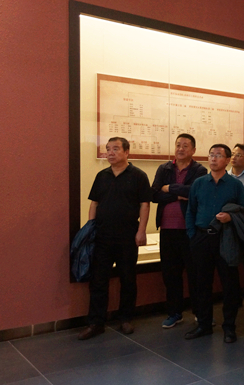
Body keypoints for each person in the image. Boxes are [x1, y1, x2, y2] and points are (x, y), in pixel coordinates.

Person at [78, 137, 151, 340]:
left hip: (128, 236)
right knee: (98, 280)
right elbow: (94, 203)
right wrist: (91, 229)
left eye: (116, 149)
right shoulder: (102, 176)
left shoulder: (138, 175)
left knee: (128, 278)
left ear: (127, 152)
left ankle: (126, 318)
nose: (110, 153)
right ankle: (96, 322)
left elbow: (145, 205)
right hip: (102, 236)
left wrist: (141, 231)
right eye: (108, 149)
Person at [185, 144, 244, 344]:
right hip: (201, 237)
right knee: (201, 283)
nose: (213, 158)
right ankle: (204, 324)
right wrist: (192, 235)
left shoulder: (235, 185)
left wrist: (230, 217)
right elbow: (190, 210)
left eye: (218, 155)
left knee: (229, 284)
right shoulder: (198, 183)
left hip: (226, 238)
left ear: (228, 160)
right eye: (211, 155)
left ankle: (229, 327)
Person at [151, 134, 207, 329]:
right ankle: (174, 313)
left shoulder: (199, 170)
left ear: (193, 150)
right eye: (178, 145)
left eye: (185, 146)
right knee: (170, 274)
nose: (180, 149)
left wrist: (170, 188)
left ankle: (200, 313)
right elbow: (154, 194)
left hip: (190, 230)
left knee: (195, 273)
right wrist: (178, 194)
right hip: (167, 229)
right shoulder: (164, 168)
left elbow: (195, 193)